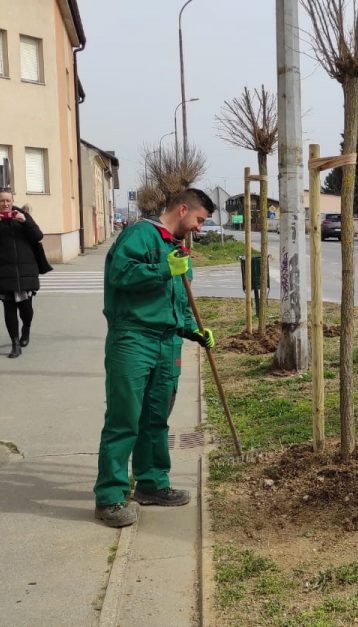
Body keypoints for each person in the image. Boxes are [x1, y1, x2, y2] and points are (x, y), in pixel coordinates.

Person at [93, 189, 218, 528]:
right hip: (133, 339)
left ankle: (151, 483)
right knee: (125, 419)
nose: (199, 227)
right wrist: (164, 269)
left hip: (167, 344)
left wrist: (192, 330)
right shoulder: (139, 235)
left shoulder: (177, 248)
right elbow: (120, 275)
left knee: (155, 418)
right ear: (182, 209)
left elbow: (178, 299)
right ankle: (110, 497)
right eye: (199, 220)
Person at [0, 187, 50, 358]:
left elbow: (38, 236)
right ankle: (15, 343)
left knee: (26, 309)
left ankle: (26, 328)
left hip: (26, 270)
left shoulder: (23, 216)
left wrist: (25, 221)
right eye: (2, 200)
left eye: (8, 200)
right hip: (4, 271)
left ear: (12, 201)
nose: (5, 203)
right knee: (9, 308)